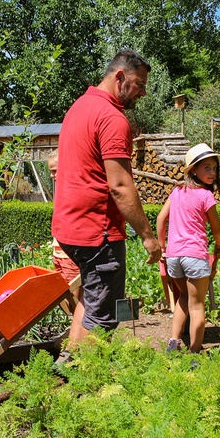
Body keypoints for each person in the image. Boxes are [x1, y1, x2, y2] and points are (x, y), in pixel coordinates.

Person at [51, 49, 162, 355]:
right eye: (139, 84)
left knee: (91, 297)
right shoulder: (113, 118)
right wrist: (148, 236)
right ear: (120, 77)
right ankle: (86, 381)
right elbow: (121, 186)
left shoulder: (79, 107)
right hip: (96, 231)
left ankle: (70, 362)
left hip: (69, 227)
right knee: (104, 316)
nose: (143, 92)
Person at [156, 144, 220, 353]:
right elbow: (217, 228)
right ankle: (194, 351)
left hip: (174, 256)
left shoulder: (177, 191)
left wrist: (163, 248)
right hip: (194, 255)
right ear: (193, 169)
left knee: (183, 299)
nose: (212, 173)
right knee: (197, 306)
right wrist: (219, 247)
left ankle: (173, 342)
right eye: (207, 168)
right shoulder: (206, 196)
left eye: (214, 168)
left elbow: (160, 219)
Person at [47, 150, 82, 312]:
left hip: (69, 252)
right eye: (50, 171)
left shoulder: (74, 189)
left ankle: (78, 333)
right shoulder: (61, 190)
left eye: (54, 171)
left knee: (74, 299)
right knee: (65, 299)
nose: (52, 175)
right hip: (58, 251)